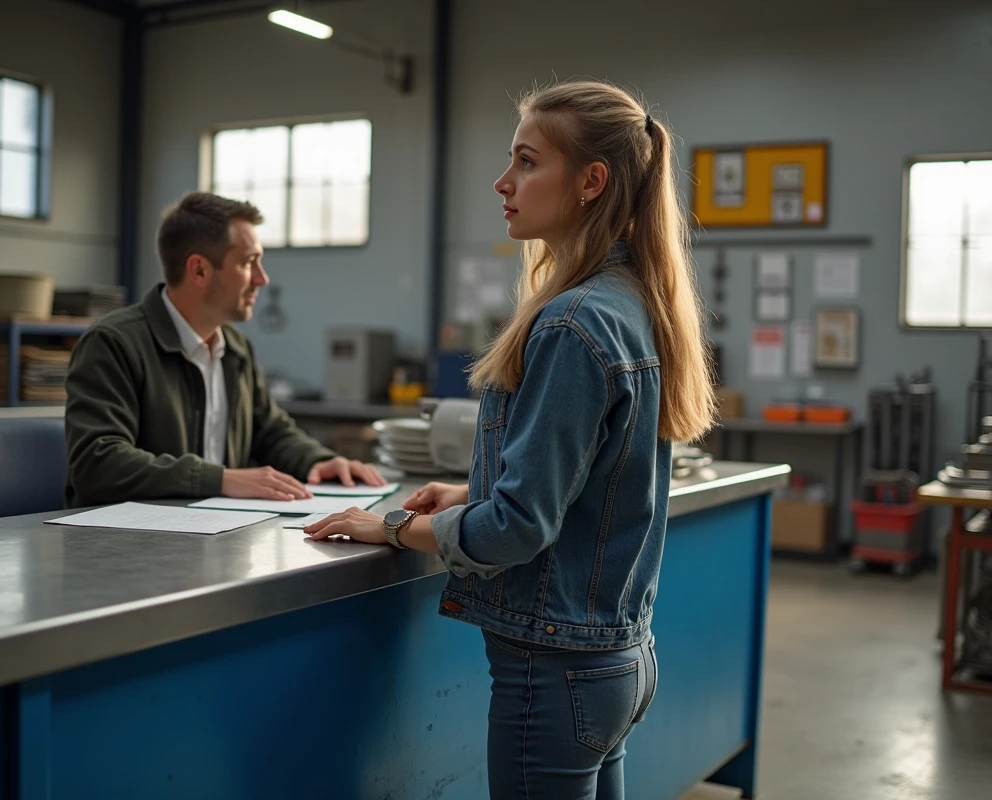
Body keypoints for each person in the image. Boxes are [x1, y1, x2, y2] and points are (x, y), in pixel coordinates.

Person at [303, 81, 715, 799]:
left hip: (554, 670)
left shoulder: (572, 323)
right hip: (618, 659)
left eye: (527, 161)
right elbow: (598, 480)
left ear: (592, 181)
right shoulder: (633, 304)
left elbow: (520, 528)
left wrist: (397, 526)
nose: (504, 182)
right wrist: (473, 491)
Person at [64, 192, 384, 508]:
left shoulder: (236, 347)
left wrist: (318, 461)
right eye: (248, 263)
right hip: (125, 545)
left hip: (217, 534)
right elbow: (98, 463)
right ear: (200, 270)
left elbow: (271, 432)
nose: (262, 279)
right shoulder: (114, 343)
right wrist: (222, 480)